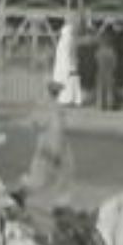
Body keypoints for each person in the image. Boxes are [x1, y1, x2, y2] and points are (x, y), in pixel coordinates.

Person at [18, 80, 76, 213]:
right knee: (63, 174)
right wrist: (57, 151)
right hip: (55, 145)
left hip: (44, 143)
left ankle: (21, 194)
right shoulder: (56, 109)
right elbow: (58, 130)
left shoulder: (42, 105)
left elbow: (34, 123)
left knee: (41, 175)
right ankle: (61, 205)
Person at [52, 19, 83, 106]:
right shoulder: (70, 39)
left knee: (67, 82)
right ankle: (73, 99)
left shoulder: (61, 41)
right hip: (69, 65)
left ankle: (66, 99)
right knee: (72, 81)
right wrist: (74, 63)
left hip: (63, 67)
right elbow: (72, 53)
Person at [94, 31, 119, 111]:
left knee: (101, 88)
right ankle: (111, 104)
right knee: (110, 89)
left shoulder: (99, 51)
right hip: (110, 72)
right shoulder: (112, 51)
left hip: (100, 71)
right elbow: (115, 63)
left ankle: (101, 105)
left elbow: (96, 61)